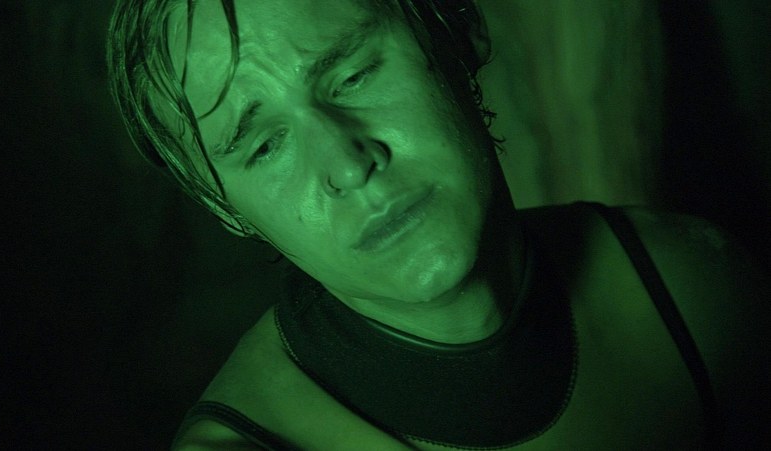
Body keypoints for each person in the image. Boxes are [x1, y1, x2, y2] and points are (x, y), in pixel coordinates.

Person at [106, 0, 770, 448]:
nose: (348, 164)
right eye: (263, 146)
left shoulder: (698, 289)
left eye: (353, 74)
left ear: (456, 31)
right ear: (226, 209)